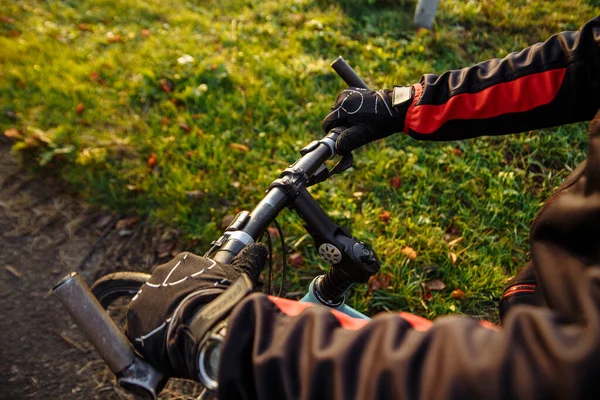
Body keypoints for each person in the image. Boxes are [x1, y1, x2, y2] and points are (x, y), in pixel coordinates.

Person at [126, 16, 600, 399]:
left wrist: (234, 338)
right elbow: (582, 62)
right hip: (547, 298)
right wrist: (406, 103)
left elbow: (551, 374)